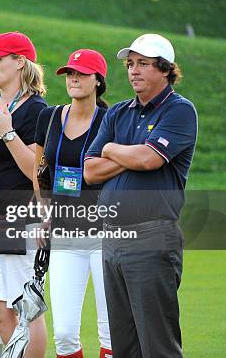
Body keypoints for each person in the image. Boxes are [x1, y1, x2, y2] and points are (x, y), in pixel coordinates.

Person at [84, 34, 198, 358]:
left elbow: (149, 160)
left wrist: (110, 149)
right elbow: (90, 171)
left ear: (165, 69)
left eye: (143, 64)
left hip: (151, 235)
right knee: (123, 345)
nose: (134, 71)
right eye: (131, 64)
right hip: (113, 238)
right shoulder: (118, 112)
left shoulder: (180, 111)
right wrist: (128, 156)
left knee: (157, 345)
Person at [0, 31, 48, 356]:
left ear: (20, 62)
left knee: (25, 307)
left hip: (19, 215)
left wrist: (7, 132)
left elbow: (36, 169)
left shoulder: (36, 110)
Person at [34, 49, 112, 358]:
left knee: (111, 330)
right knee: (64, 333)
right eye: (70, 73)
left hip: (106, 234)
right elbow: (40, 172)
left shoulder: (112, 119)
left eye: (81, 73)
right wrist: (42, 213)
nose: (74, 78)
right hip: (64, 235)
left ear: (98, 81)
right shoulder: (49, 117)